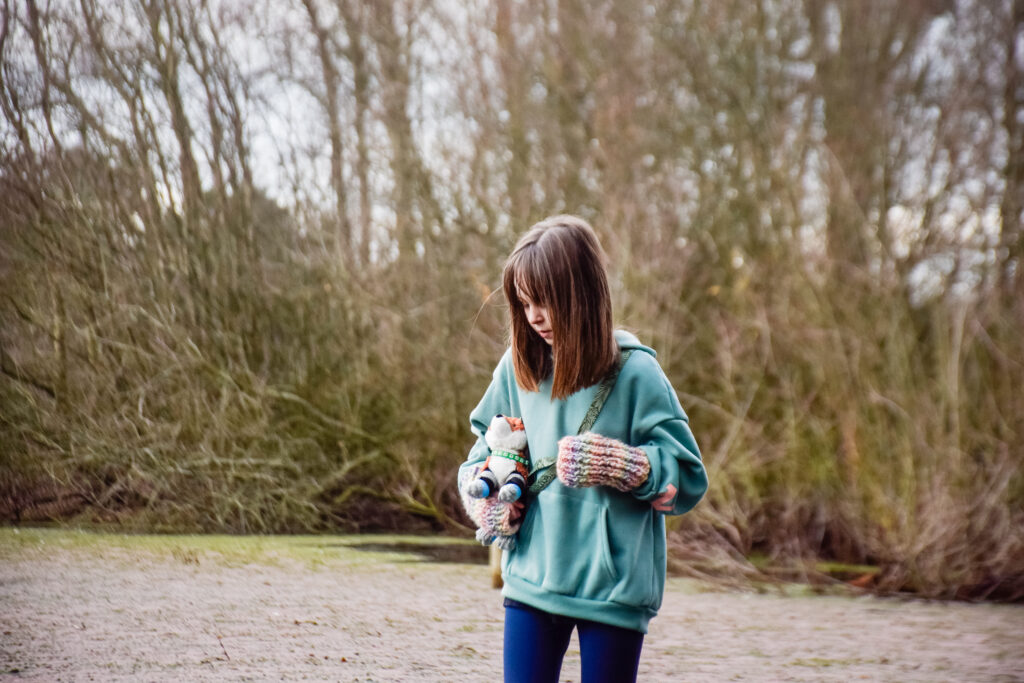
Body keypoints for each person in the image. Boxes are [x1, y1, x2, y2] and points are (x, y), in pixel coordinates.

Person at [458, 215, 709, 683]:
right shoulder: (518, 368)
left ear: (583, 295)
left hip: (612, 592)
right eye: (525, 302)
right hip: (532, 580)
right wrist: (486, 504)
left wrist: (624, 465)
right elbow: (478, 460)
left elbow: (688, 482)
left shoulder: (637, 374)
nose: (534, 316)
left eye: (546, 301)